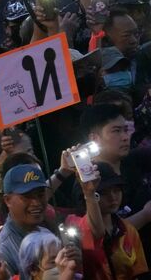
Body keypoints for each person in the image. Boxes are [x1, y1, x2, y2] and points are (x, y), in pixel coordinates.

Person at [79, 104, 151, 258]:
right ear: (94, 138)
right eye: (116, 131)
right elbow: (102, 235)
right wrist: (145, 215)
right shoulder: (87, 183)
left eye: (125, 130)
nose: (125, 137)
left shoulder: (135, 159)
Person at [64, 162, 148, 279]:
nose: (113, 197)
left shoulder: (128, 229)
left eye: (116, 190)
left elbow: (140, 272)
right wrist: (90, 193)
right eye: (103, 193)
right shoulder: (77, 226)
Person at [0, 164, 54, 278]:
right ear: (8, 200)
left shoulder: (44, 231)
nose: (36, 202)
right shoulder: (2, 248)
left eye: (40, 194)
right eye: (27, 196)